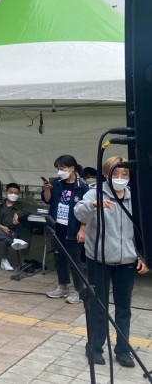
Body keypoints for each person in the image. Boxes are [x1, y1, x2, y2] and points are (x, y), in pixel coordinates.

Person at [74, 156, 148, 368]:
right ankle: (95, 347)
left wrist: (143, 256)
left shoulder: (135, 197)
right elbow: (78, 212)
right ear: (106, 174)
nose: (120, 178)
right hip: (99, 259)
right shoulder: (94, 193)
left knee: (124, 308)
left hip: (126, 261)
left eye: (124, 174)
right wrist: (93, 205)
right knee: (99, 306)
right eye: (115, 174)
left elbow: (143, 231)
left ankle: (123, 350)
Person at [42, 155, 88, 304]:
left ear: (72, 168)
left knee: (75, 260)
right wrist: (47, 190)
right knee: (59, 257)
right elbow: (48, 200)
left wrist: (82, 229)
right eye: (58, 168)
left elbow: (87, 210)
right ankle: (62, 286)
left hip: (73, 228)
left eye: (62, 168)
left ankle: (78, 290)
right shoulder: (58, 183)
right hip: (57, 227)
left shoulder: (82, 186)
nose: (59, 171)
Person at [0, 182, 34, 271]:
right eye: (11, 192)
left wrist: (18, 213)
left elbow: (33, 208)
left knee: (4, 240)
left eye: (16, 193)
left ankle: (4, 261)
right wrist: (1, 226)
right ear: (6, 192)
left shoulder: (21, 205)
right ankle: (13, 241)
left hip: (12, 230)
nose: (13, 195)